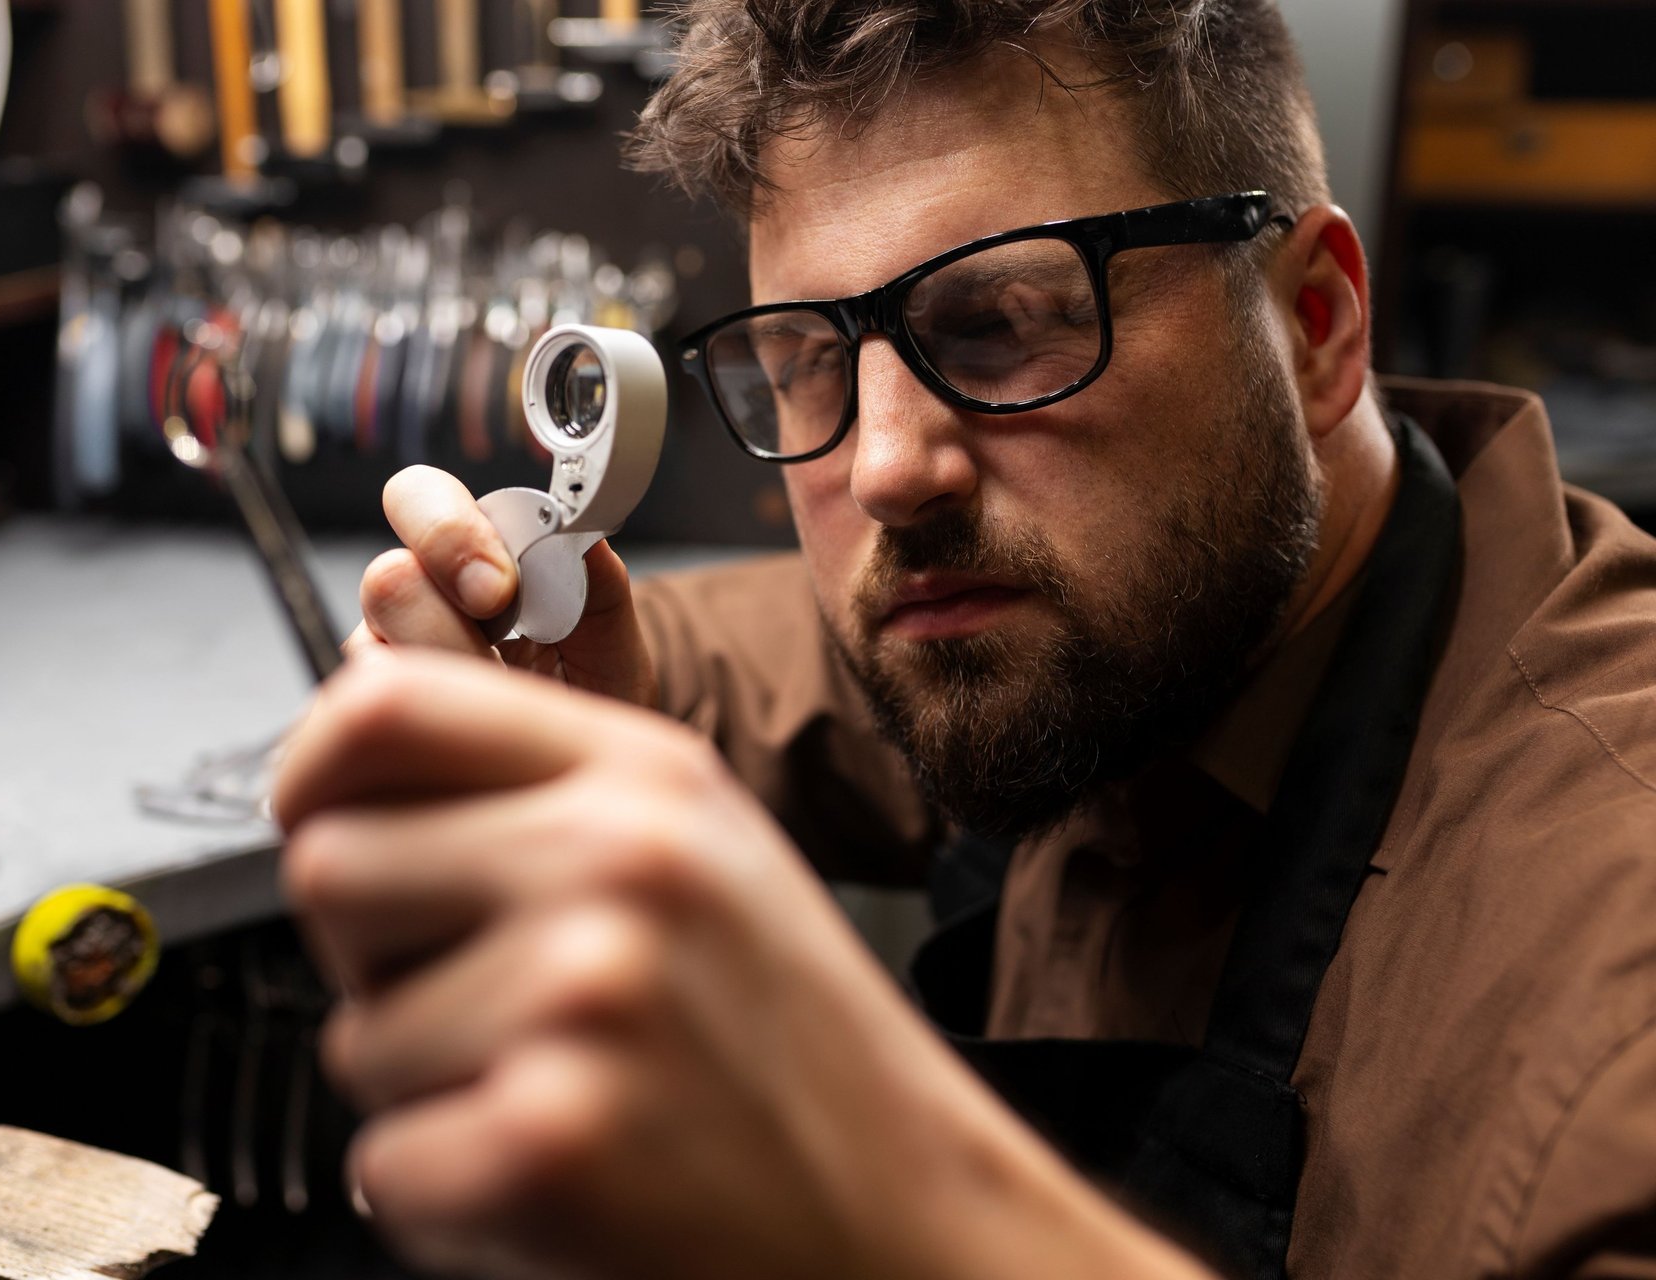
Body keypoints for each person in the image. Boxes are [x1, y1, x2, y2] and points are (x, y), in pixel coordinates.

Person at [271, 1, 1656, 1276]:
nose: (885, 469)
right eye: (812, 357)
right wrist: (522, 655)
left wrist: (887, 1189)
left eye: (999, 325)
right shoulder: (1048, 612)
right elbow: (719, 660)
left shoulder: (1604, 952)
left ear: (1312, 325)